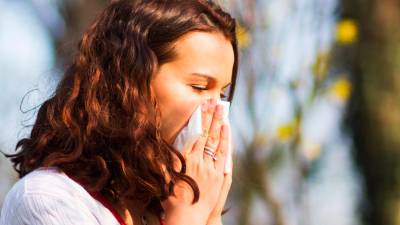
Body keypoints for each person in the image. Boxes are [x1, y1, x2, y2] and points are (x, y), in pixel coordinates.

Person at [0, 0, 238, 224]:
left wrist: (210, 214)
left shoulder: (166, 206)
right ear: (132, 83)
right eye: (199, 87)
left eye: (222, 94)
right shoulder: (47, 199)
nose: (217, 110)